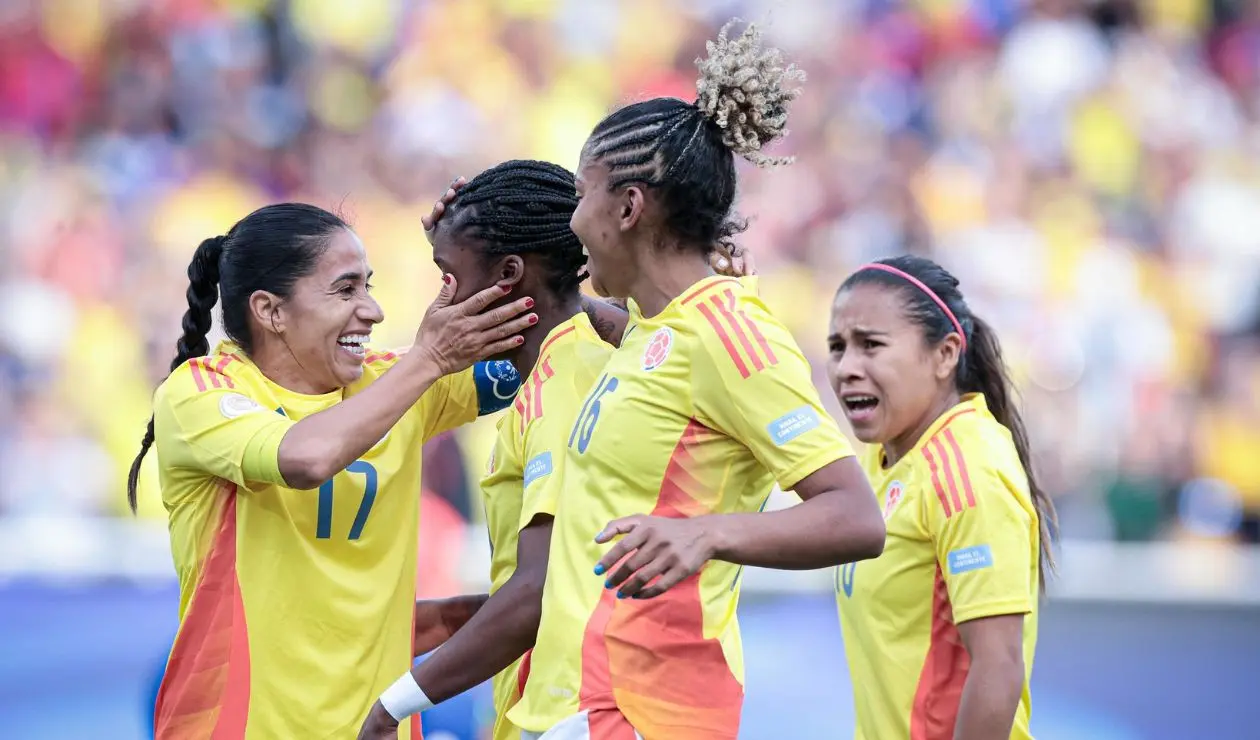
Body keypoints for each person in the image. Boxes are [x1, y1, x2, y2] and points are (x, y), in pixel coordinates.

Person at [508, 21, 886, 740]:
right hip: (585, 708)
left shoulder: (729, 334)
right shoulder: (654, 326)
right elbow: (614, 332)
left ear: (627, 208)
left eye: (581, 194)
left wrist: (708, 534)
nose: (573, 219)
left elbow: (856, 516)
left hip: (653, 713)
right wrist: (490, 250)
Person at [127, 202, 535, 739]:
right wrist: (428, 360)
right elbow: (306, 459)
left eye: (369, 286)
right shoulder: (201, 391)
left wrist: (481, 238)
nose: (373, 311)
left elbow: (540, 338)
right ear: (270, 310)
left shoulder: (392, 383)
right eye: (346, 290)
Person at [356, 160, 622, 740]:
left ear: (508, 275)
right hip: (550, 703)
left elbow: (537, 590)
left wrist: (391, 707)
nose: (440, 299)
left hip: (582, 711)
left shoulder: (568, 384)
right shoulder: (545, 375)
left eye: (447, 275)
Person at [826, 255, 1057, 740]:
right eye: (838, 346)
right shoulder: (888, 451)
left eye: (871, 345)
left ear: (945, 354)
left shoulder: (967, 471)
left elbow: (999, 669)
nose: (847, 367)